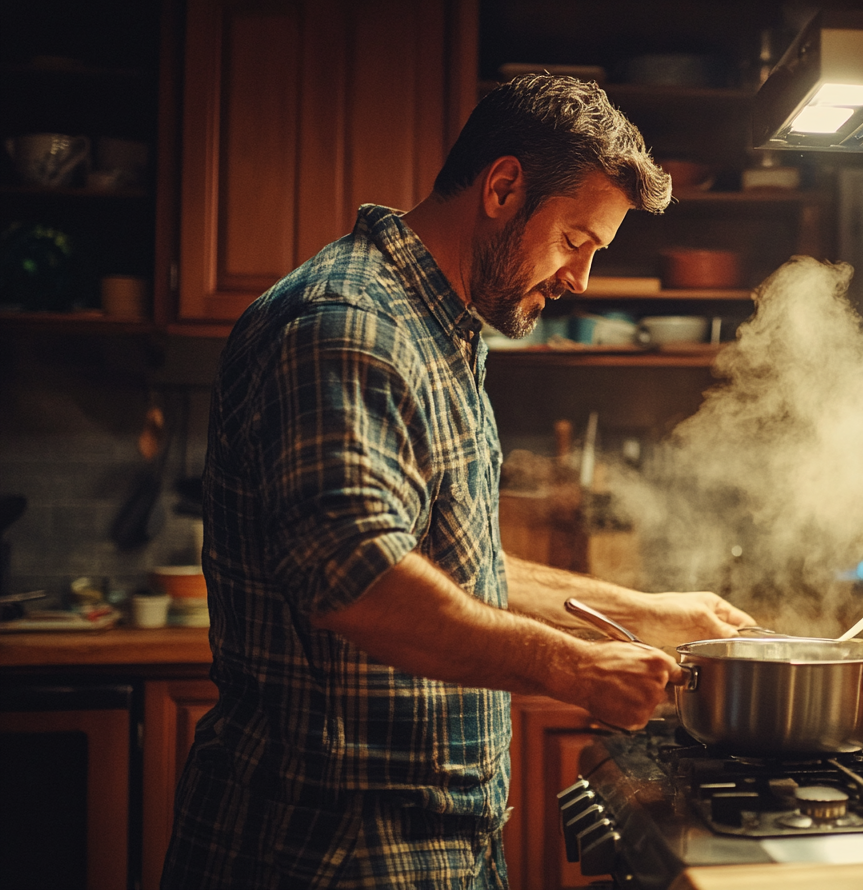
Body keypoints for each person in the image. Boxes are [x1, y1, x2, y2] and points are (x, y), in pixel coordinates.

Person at [160, 74, 754, 890]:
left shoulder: (438, 328)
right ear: (504, 188)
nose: (580, 279)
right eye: (576, 240)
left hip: (424, 834)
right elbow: (359, 581)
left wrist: (642, 613)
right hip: (328, 845)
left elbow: (451, 567)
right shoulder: (349, 325)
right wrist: (575, 668)